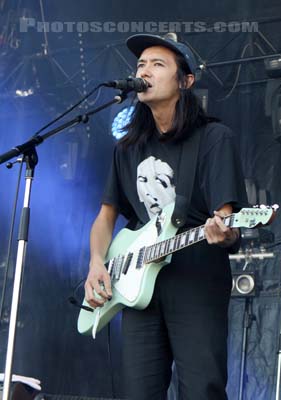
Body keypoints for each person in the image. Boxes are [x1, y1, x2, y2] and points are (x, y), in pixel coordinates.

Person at [84, 33, 247, 400]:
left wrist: (224, 230)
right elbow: (106, 216)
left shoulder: (213, 138)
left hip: (195, 278)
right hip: (138, 285)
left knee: (201, 389)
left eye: (158, 64)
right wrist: (96, 262)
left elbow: (226, 219)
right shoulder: (127, 148)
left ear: (185, 81)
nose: (145, 70)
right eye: (141, 64)